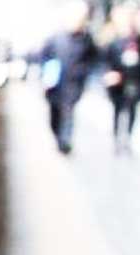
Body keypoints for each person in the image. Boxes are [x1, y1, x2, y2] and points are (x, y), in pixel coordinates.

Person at [41, 1, 100, 154]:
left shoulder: (87, 39)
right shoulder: (55, 38)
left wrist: (85, 72)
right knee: (55, 115)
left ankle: (65, 141)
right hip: (55, 85)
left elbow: (94, 59)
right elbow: (44, 57)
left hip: (74, 84)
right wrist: (46, 75)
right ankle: (58, 136)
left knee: (68, 113)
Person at [102, 3, 140, 150]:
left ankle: (128, 138)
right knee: (117, 110)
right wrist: (110, 74)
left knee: (132, 110)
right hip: (118, 81)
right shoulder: (115, 40)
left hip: (134, 81)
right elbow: (106, 59)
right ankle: (116, 137)